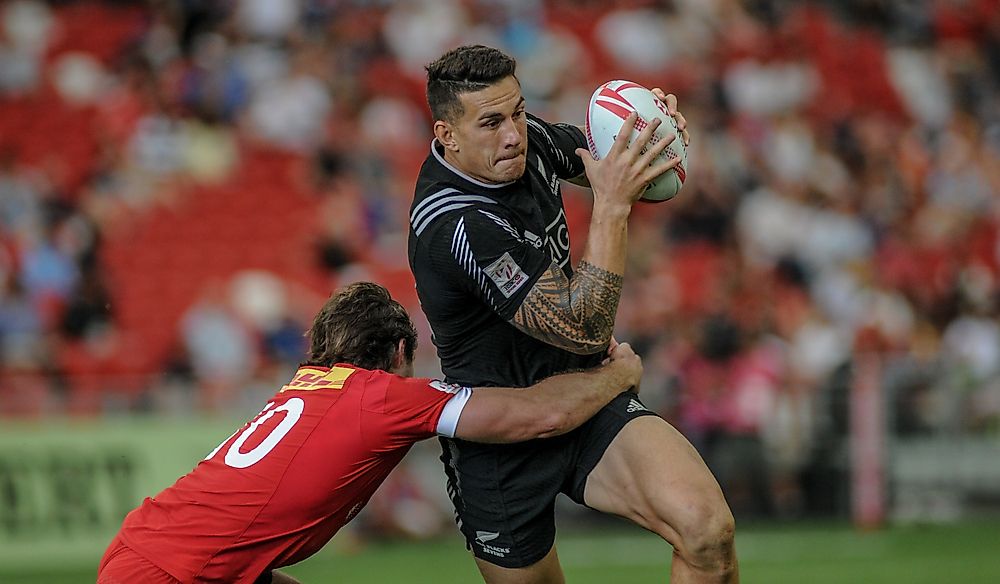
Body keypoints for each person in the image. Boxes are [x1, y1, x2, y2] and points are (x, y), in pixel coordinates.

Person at [408, 45, 738, 583]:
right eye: (491, 122)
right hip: (504, 435)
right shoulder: (457, 223)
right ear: (447, 134)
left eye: (517, 111)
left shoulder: (525, 142)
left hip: (585, 397)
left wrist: (646, 136)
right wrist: (611, 207)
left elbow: (611, 162)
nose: (514, 133)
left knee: (707, 531)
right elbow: (583, 325)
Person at [96, 282, 643, 584]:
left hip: (151, 554)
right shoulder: (379, 396)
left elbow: (234, 536)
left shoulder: (302, 388)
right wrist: (616, 374)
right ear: (400, 352)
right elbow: (538, 416)